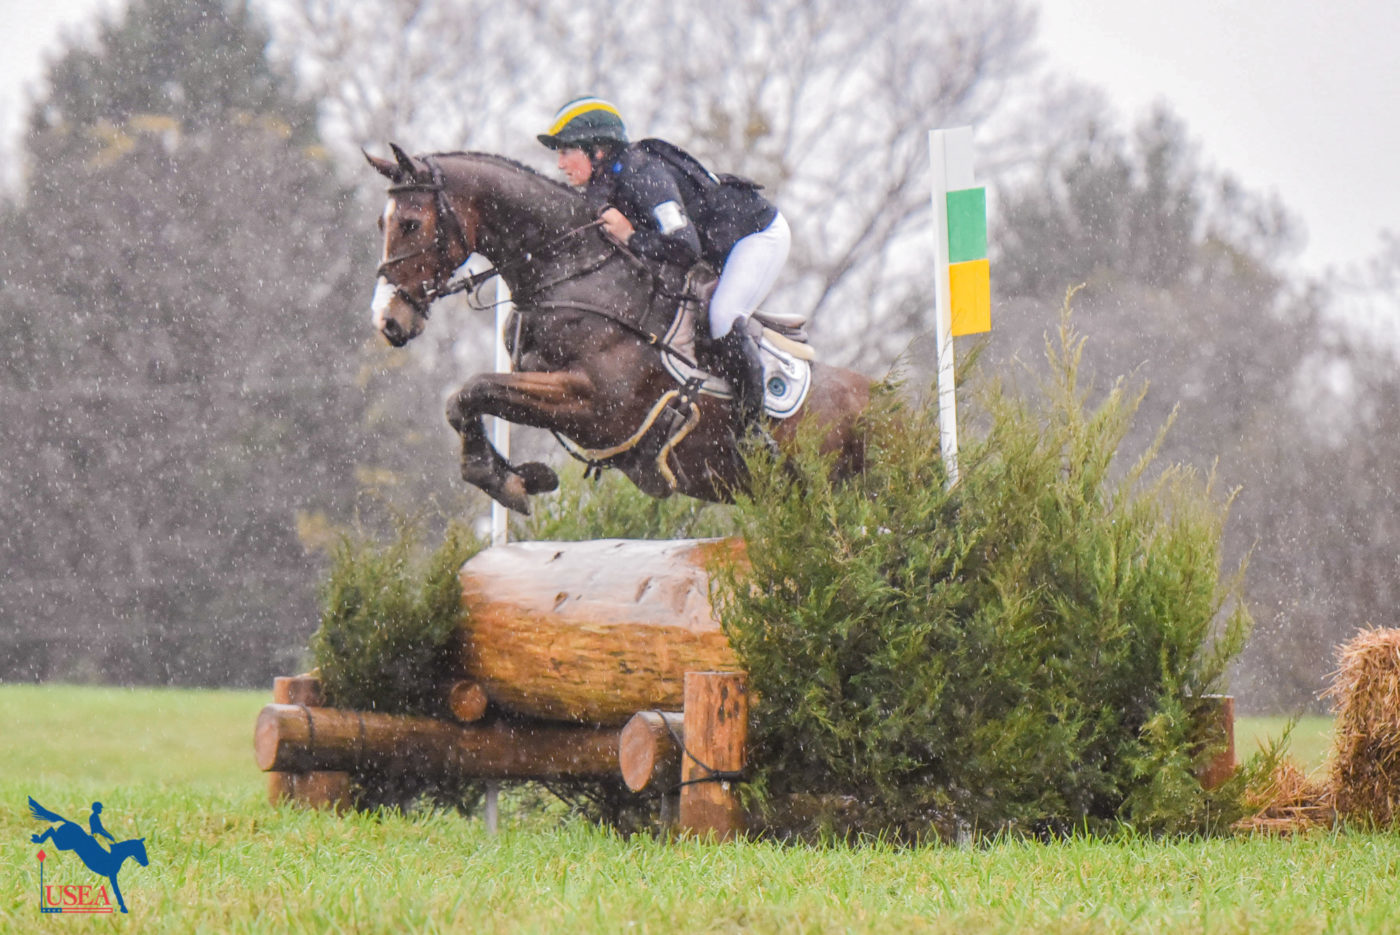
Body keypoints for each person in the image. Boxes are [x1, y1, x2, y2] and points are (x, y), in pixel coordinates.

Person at [538, 96, 790, 435]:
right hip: (715, 246)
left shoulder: (643, 174)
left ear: (596, 149)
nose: (560, 164)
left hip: (755, 237)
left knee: (722, 317)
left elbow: (685, 247)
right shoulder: (604, 181)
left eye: (566, 151)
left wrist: (631, 237)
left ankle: (754, 432)